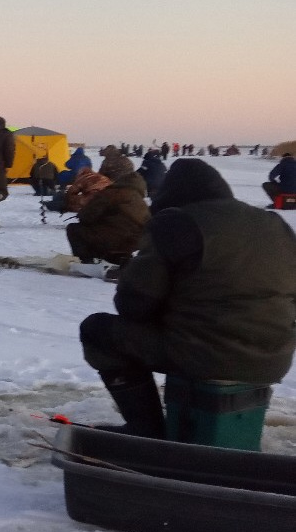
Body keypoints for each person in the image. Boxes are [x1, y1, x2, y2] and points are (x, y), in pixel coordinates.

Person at [78, 159, 296, 437]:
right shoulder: (274, 223)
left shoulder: (176, 222)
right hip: (274, 357)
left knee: (97, 330)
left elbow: (133, 305)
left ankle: (146, 429)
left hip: (204, 356)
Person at [66, 172, 150, 265]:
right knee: (112, 237)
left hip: (111, 239)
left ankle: (86, 261)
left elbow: (87, 215)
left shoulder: (112, 193)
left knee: (74, 230)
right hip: (135, 242)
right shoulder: (141, 202)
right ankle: (120, 259)